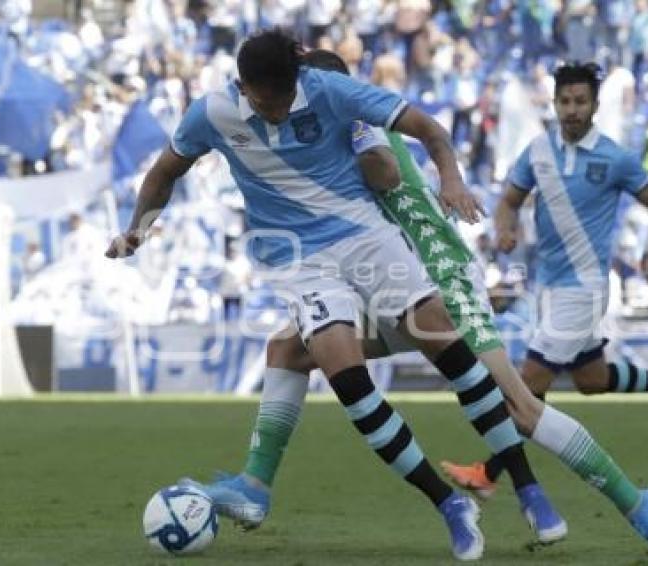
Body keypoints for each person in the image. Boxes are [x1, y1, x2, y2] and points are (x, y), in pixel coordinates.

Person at [190, 50, 648, 558]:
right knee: (289, 350)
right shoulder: (316, 139)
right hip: (385, 287)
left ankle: (642, 506)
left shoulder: (360, 124)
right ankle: (255, 486)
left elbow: (385, 173)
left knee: (520, 407)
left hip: (442, 280)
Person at [106, 28, 550, 561]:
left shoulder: (330, 90)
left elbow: (428, 128)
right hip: (301, 262)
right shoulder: (213, 112)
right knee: (348, 381)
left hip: (367, 238)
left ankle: (528, 488)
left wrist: (451, 177)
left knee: (450, 350)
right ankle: (448, 505)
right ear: (244, 87)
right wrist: (138, 228)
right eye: (263, 102)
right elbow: (163, 173)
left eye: (281, 100)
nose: (274, 113)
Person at [441, 63, 648, 504]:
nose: (572, 110)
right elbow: (508, 202)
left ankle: (489, 472)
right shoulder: (538, 151)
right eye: (565, 101)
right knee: (591, 379)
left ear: (595, 106)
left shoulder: (616, 157)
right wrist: (507, 229)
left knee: (526, 385)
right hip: (549, 286)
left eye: (581, 101)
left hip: (584, 289)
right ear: (556, 103)